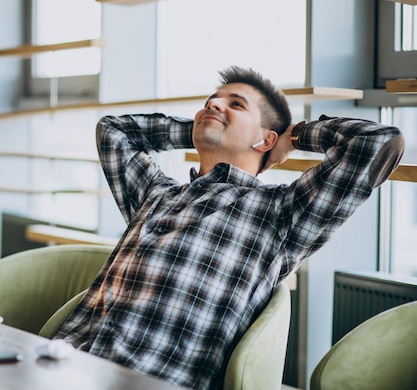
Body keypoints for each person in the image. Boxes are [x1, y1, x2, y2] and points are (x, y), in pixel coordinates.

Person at [53, 66, 404, 390]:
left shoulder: (282, 213)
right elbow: (113, 131)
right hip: (62, 364)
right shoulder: (155, 194)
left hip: (153, 380)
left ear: (265, 140)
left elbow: (377, 143)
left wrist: (294, 136)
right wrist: (197, 129)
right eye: (210, 101)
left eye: (236, 104)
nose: (214, 104)